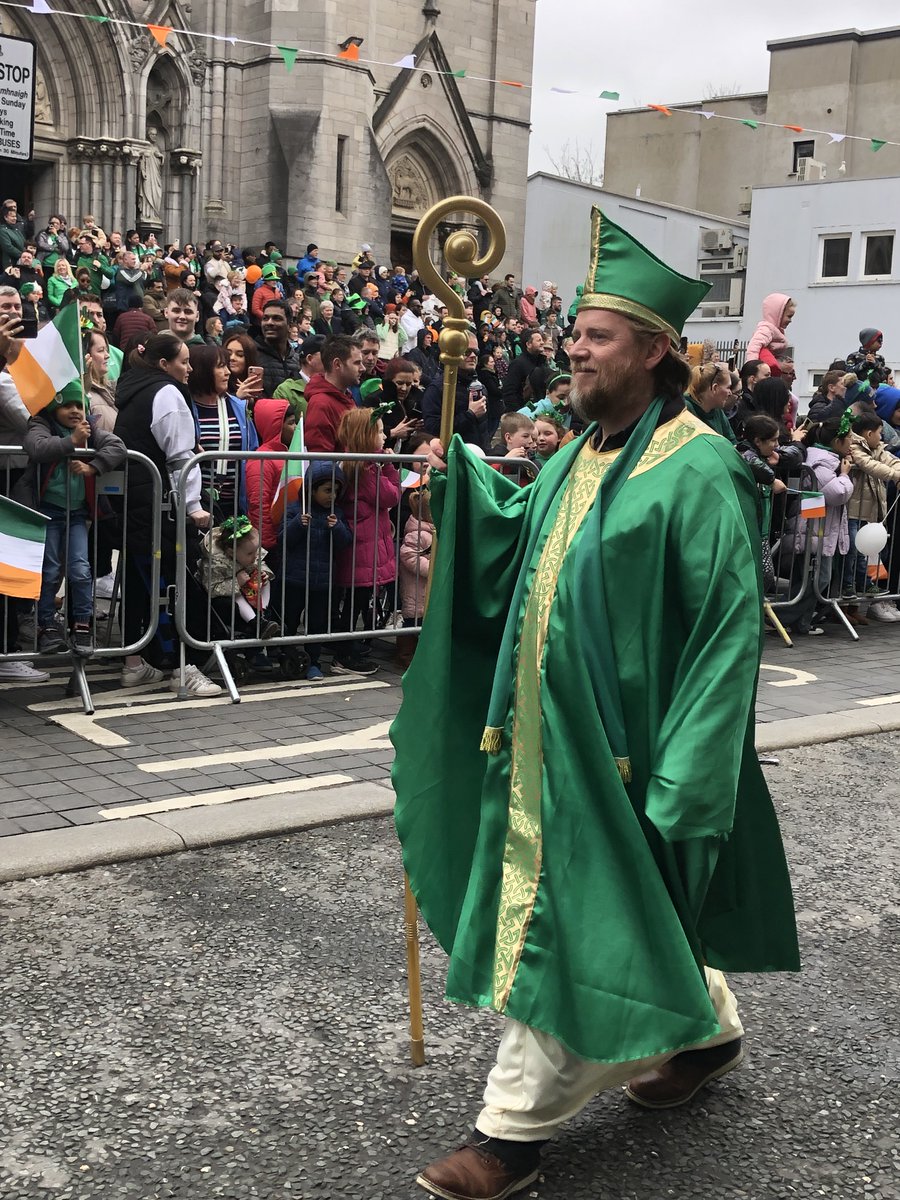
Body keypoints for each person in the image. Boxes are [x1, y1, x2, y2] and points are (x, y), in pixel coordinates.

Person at [393, 207, 798, 1200]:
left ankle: (511, 1132)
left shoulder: (700, 467)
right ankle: (708, 1034)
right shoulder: (581, 452)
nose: (572, 345)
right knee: (623, 917)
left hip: (625, 754)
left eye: (596, 333)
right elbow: (522, 541)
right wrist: (464, 488)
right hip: (542, 737)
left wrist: (691, 777)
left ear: (654, 350)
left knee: (572, 928)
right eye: (573, 328)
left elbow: (724, 633)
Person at [113, 332, 222, 696]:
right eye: (183, 361)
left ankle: (136, 664)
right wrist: (193, 506)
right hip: (158, 508)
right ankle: (180, 668)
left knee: (141, 581)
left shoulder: (133, 388)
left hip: (136, 502)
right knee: (167, 586)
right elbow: (181, 459)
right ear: (164, 364)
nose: (190, 369)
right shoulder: (168, 393)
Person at [15, 382, 126, 657]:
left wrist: (93, 466)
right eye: (67, 405)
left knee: (80, 569)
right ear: (54, 408)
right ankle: (46, 625)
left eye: (79, 406)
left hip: (76, 514)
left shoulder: (90, 430)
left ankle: (82, 624)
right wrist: (71, 442)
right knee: (50, 570)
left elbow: (118, 446)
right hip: (46, 511)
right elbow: (37, 447)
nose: (75, 411)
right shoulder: (41, 425)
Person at [280, 461, 353, 681]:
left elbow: (345, 541)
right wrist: (298, 525)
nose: (332, 496)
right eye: (327, 490)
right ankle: (287, 657)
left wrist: (337, 527)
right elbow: (283, 539)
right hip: (294, 579)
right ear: (311, 489)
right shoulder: (295, 509)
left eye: (336, 491)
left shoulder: (336, 513)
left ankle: (313, 661)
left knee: (317, 624)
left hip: (322, 583)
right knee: (289, 621)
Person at [187, 343, 259, 521]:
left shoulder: (237, 406)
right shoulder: (185, 407)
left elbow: (253, 448)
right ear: (202, 371)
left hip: (234, 503)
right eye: (220, 366)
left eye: (227, 366)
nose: (228, 372)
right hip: (197, 503)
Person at [846, 411, 900, 623]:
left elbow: (892, 461)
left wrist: (897, 471)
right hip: (852, 509)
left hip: (870, 511)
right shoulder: (854, 447)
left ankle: (858, 596)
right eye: (879, 433)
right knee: (851, 550)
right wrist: (895, 476)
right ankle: (849, 586)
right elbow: (869, 465)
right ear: (869, 434)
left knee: (864, 552)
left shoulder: (878, 447)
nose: (882, 437)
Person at [198, 514, 278, 642]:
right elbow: (211, 588)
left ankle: (264, 613)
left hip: (252, 591)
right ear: (231, 552)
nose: (255, 556)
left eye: (256, 551)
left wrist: (264, 573)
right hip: (227, 599)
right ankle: (256, 622)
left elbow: (260, 562)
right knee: (237, 595)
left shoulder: (251, 553)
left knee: (266, 581)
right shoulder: (217, 563)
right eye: (250, 553)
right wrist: (236, 582)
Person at [421, 332, 490, 452]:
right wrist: (470, 415)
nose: (473, 356)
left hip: (478, 459)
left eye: (476, 352)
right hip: (451, 458)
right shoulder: (437, 388)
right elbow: (432, 428)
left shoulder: (480, 386)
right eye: (466, 352)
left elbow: (483, 430)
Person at [245, 397, 296, 553]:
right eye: (290, 423)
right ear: (276, 426)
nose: (295, 428)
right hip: (274, 540)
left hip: (288, 534)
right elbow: (258, 502)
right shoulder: (261, 459)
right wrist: (267, 542)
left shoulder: (288, 453)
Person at [397, 487, 434, 671]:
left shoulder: (434, 531)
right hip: (415, 588)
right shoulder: (416, 533)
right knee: (411, 624)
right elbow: (409, 556)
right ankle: (405, 655)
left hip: (429, 590)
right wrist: (432, 568)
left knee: (425, 624)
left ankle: (422, 655)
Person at [304, 335, 362, 453]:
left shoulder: (346, 396)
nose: (363, 368)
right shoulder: (320, 404)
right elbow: (321, 461)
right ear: (337, 364)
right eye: (357, 363)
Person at [255, 299, 301, 396]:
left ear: (289, 325)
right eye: (265, 318)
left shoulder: (297, 361)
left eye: (277, 318)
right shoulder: (252, 356)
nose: (269, 323)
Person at [685, 362, 737, 442]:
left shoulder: (717, 408)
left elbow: (732, 442)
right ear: (715, 388)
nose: (730, 393)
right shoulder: (686, 409)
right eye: (728, 387)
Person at [746, 293, 795, 376]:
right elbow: (753, 347)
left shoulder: (775, 330)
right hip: (763, 371)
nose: (790, 320)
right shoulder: (766, 329)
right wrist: (751, 369)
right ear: (778, 314)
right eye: (789, 316)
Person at [500, 327, 545, 412]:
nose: (542, 343)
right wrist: (518, 413)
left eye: (542, 340)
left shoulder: (542, 362)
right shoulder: (518, 364)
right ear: (528, 344)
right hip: (524, 412)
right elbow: (510, 392)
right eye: (538, 340)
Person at [729, 359, 771, 437]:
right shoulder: (740, 403)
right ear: (753, 379)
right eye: (767, 375)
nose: (770, 379)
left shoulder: (759, 399)